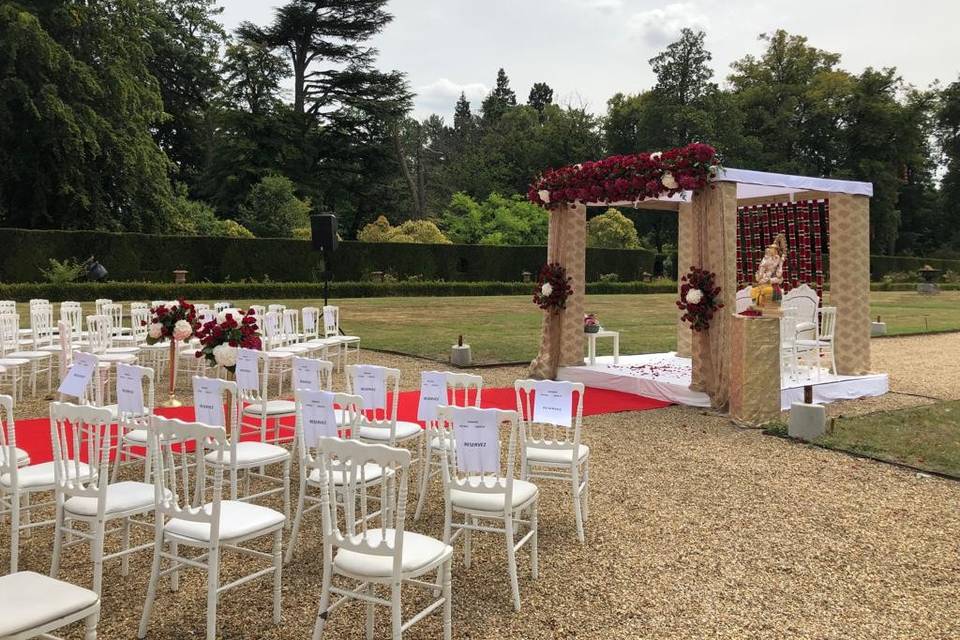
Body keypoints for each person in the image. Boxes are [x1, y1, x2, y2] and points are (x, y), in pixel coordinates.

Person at [749, 234, 787, 308]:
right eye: (770, 250)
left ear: (776, 251)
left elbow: (779, 277)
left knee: (765, 291)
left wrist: (781, 263)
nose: (770, 251)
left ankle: (766, 306)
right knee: (754, 291)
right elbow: (761, 272)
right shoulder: (767, 260)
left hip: (772, 284)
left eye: (772, 250)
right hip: (765, 281)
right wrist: (761, 276)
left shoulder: (777, 262)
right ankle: (758, 305)